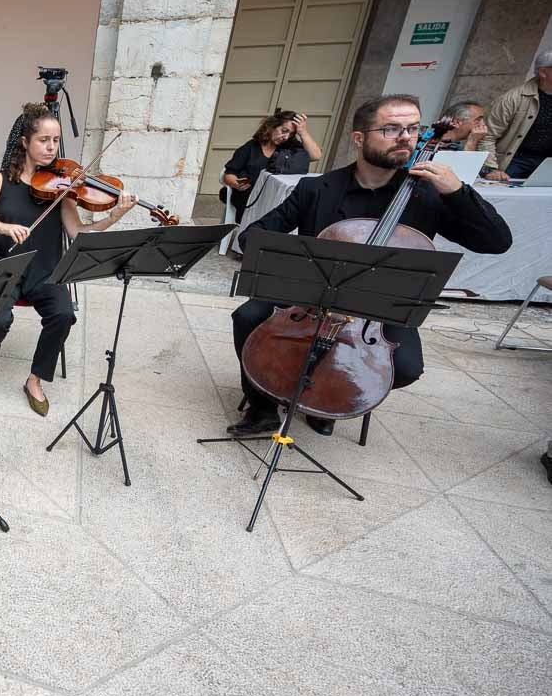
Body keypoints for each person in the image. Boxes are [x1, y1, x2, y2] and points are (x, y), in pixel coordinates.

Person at [227, 94, 513, 437]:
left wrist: (458, 191)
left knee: (406, 367)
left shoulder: (428, 195)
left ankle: (328, 397)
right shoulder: (318, 188)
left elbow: (496, 242)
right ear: (359, 137)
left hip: (378, 311)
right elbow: (254, 237)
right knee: (247, 316)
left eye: (412, 128)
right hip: (310, 300)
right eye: (391, 129)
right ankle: (261, 407)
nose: (405, 136)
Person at [0, 103, 136, 416]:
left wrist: (115, 215)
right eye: (44, 140)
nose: (51, 147)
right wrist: (0, 225)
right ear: (25, 142)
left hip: (45, 270)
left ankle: (35, 379)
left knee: (64, 314)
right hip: (4, 266)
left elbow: (79, 234)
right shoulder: (1, 181)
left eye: (55, 141)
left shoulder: (62, 187)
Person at [220, 109, 321, 222]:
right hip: (250, 199)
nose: (286, 137)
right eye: (284, 130)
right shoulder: (251, 147)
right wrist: (236, 183)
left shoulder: (290, 147)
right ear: (272, 126)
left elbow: (315, 156)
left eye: (291, 134)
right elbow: (228, 174)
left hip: (277, 200)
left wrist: (303, 132)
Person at [479, 47, 552, 181]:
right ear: (543, 72)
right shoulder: (513, 98)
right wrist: (491, 168)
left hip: (547, 162)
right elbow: (487, 136)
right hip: (514, 158)